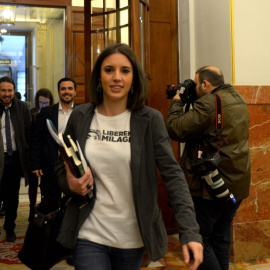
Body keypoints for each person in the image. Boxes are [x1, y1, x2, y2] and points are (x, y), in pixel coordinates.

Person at [55, 43, 203, 270]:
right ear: (99, 77)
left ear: (134, 78)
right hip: (89, 231)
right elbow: (61, 164)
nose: (116, 77)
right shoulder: (80, 116)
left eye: (125, 71)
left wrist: (190, 231)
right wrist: (70, 184)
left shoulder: (150, 120)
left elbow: (173, 176)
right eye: (109, 70)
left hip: (132, 237)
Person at [165, 66, 251, 270]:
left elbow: (176, 128)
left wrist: (177, 102)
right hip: (235, 186)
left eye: (196, 84)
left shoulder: (209, 103)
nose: (194, 88)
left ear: (205, 84)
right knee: (220, 238)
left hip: (210, 188)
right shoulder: (237, 98)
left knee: (198, 239)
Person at [31, 78, 76, 202]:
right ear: (58, 92)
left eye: (70, 88)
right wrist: (35, 163)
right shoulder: (46, 112)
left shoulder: (81, 112)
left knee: (72, 201)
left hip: (74, 165)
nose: (66, 91)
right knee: (50, 201)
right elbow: (36, 139)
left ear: (75, 92)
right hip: (50, 164)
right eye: (63, 89)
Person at [0, 76, 31, 242]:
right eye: (3, 90)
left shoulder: (22, 107)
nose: (7, 94)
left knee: (12, 196)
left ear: (13, 91)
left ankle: (10, 227)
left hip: (14, 159)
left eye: (9, 90)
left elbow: (29, 133)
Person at [28, 88, 54, 221]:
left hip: (46, 154)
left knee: (45, 185)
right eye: (41, 103)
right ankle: (32, 209)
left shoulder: (52, 113)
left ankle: (44, 209)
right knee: (32, 184)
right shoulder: (32, 113)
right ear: (37, 103)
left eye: (46, 103)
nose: (44, 106)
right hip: (33, 152)